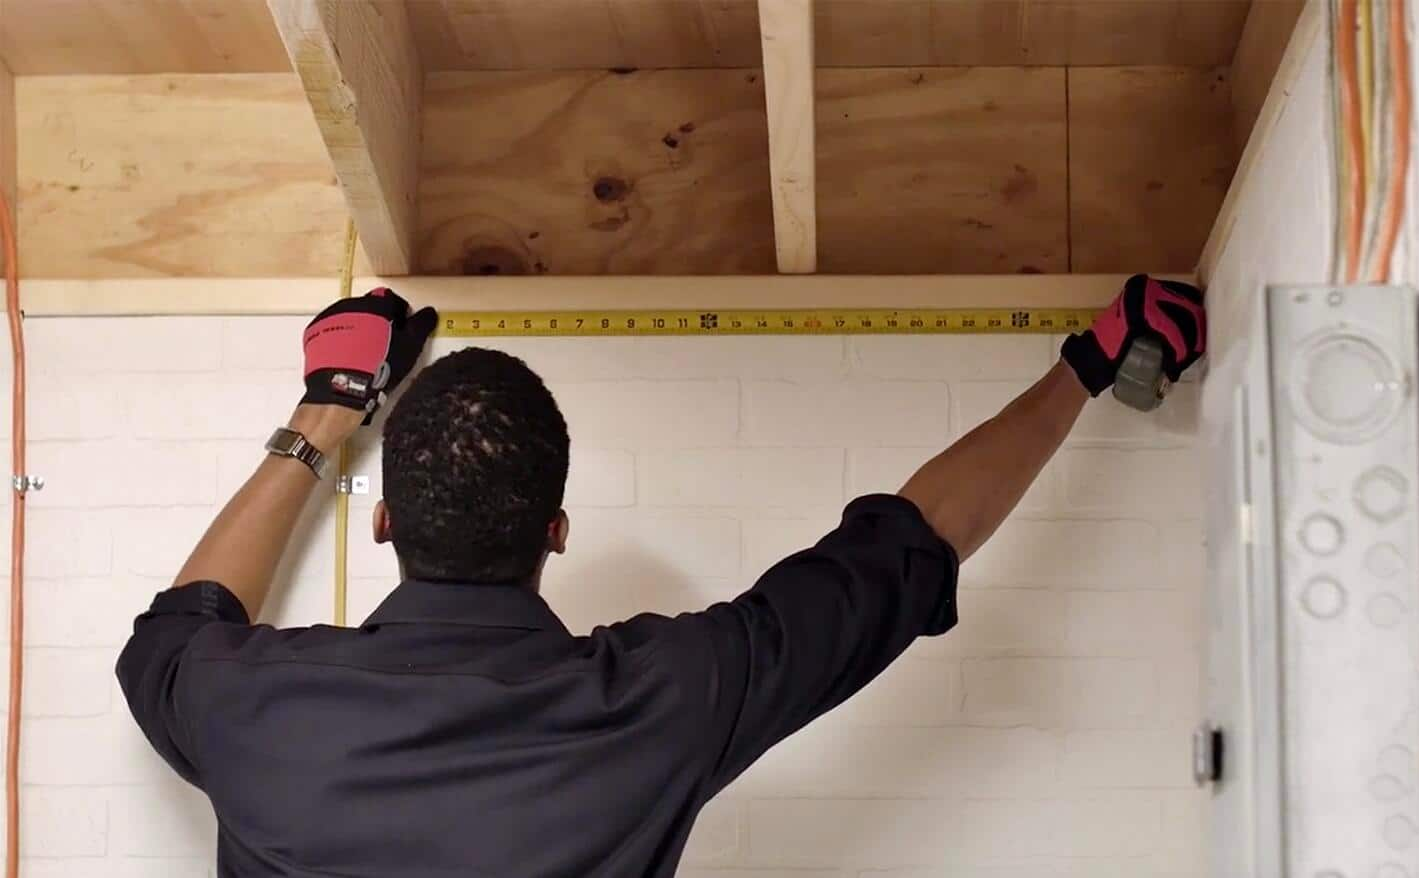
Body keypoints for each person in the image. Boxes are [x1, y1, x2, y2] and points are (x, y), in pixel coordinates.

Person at [117, 275, 1205, 877]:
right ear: (556, 530)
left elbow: (177, 624)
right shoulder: (668, 694)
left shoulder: (244, 701)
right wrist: (1090, 361)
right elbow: (915, 537)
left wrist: (332, 402)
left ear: (387, 521)